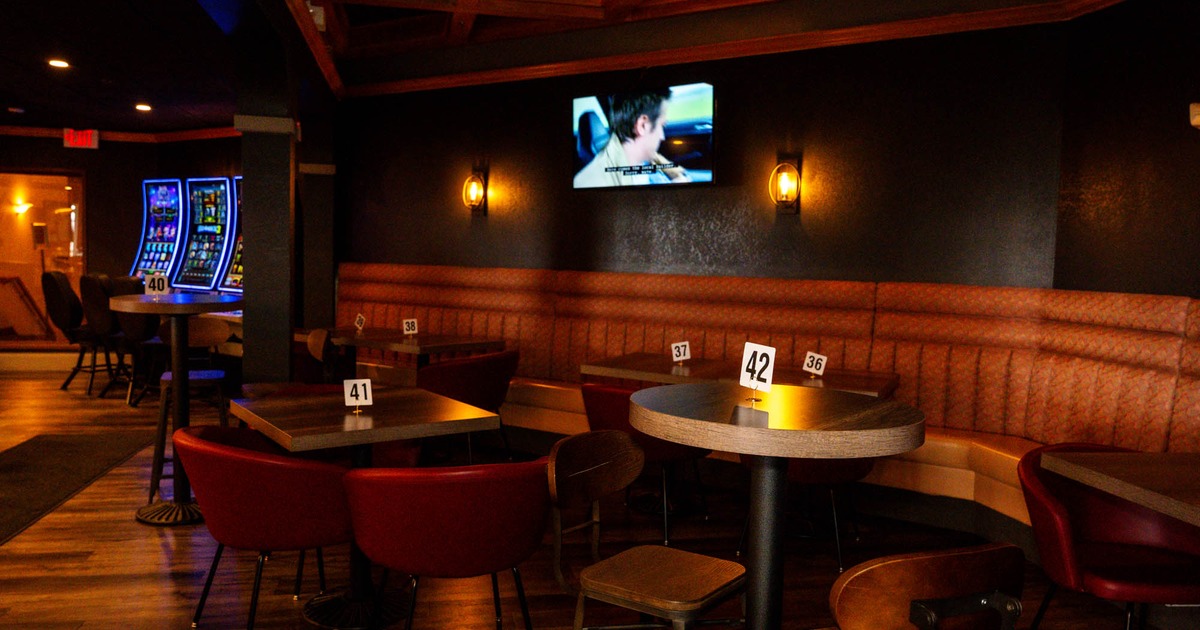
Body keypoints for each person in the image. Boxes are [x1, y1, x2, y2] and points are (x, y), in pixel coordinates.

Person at [574, 89, 691, 188]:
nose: (662, 137)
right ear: (642, 126)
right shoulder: (594, 183)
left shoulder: (636, 160)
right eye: (662, 125)